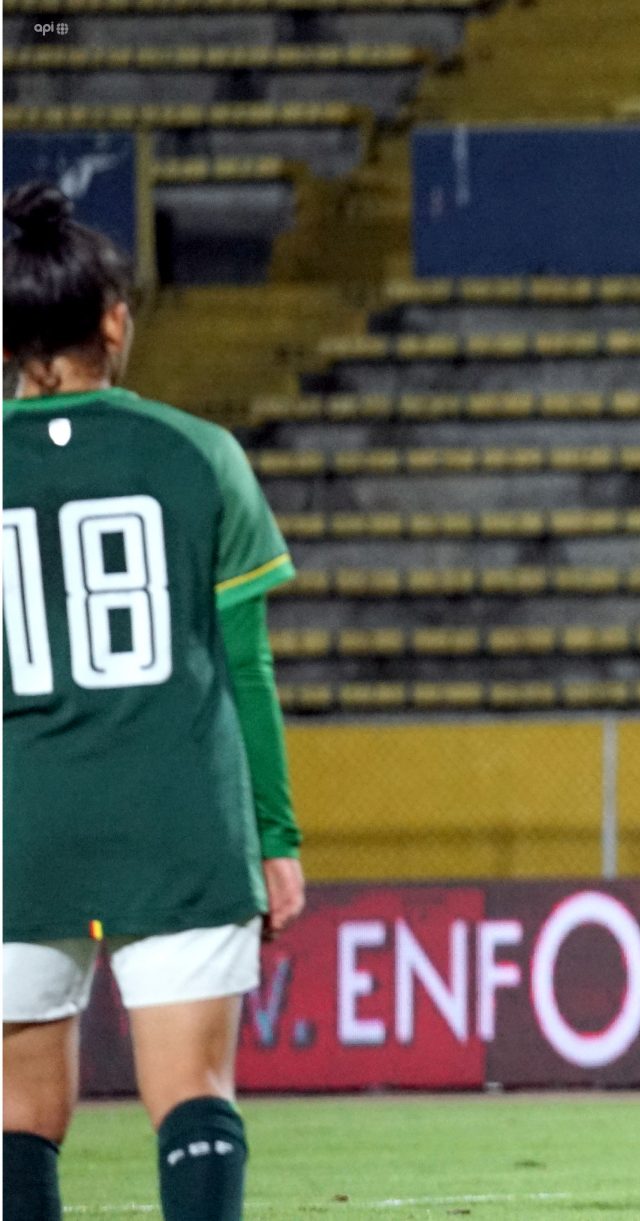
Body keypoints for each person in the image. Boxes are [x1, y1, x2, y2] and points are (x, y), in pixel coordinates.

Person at [3, 181, 305, 1221]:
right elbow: (247, 668)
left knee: (17, 1115)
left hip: (20, 824)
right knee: (193, 1098)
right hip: (177, 819)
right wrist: (274, 834)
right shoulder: (198, 455)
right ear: (114, 320)